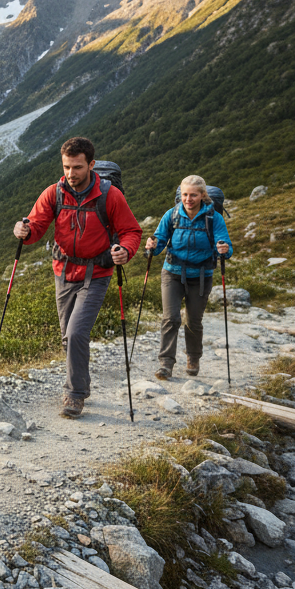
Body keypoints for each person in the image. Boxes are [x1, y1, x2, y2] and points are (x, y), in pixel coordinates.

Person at [13, 137, 141, 418]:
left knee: (76, 333)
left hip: (97, 273)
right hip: (64, 270)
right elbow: (36, 226)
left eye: (78, 167)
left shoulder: (110, 195)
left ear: (91, 165)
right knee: (67, 337)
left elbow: (131, 231)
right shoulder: (54, 193)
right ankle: (82, 382)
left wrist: (125, 250)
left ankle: (74, 394)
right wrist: (24, 231)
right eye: (67, 167)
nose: (71, 174)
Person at [144, 175, 233, 380]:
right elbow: (160, 239)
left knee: (193, 321)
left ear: (202, 195)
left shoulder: (214, 218)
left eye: (193, 195)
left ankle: (193, 357)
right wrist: (152, 246)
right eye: (185, 194)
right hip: (172, 272)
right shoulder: (172, 214)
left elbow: (225, 246)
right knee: (171, 318)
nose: (188, 199)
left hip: (201, 276)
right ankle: (166, 364)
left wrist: (224, 249)